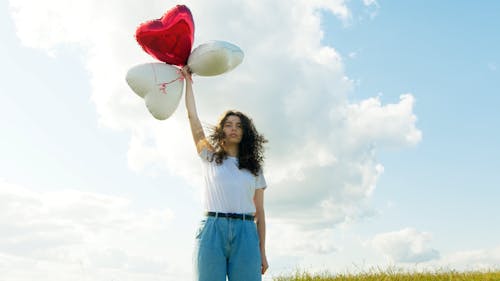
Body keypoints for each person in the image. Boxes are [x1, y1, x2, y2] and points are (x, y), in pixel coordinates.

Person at [180, 66, 269, 281]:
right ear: (222, 130)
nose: (233, 128)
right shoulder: (209, 157)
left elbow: (260, 213)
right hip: (212, 230)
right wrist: (188, 84)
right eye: (228, 125)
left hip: (246, 233)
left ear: (245, 132)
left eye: (238, 125)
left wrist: (262, 252)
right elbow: (193, 118)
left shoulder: (254, 168)